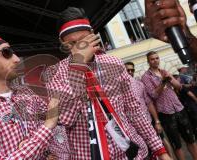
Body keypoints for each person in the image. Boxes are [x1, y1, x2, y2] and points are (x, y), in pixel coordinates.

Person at [45, 7, 171, 160]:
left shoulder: (114, 64)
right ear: (63, 43)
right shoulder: (55, 74)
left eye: (84, 41)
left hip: (132, 153)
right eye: (73, 43)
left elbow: (134, 110)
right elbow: (64, 119)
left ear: (92, 34)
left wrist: (159, 150)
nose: (80, 48)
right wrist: (78, 66)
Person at [0, 37, 69, 159]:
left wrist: (49, 153)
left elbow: (61, 120)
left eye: (13, 52)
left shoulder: (26, 94)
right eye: (6, 53)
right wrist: (48, 125)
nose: (16, 59)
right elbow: (49, 124)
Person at [142, 51, 197, 160]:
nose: (155, 60)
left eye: (157, 58)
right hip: (166, 113)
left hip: (178, 108)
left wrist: (170, 78)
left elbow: (179, 86)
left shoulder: (164, 71)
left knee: (191, 139)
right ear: (148, 61)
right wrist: (162, 82)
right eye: (152, 59)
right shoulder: (146, 77)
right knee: (177, 145)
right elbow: (153, 95)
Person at [125, 62, 175, 159]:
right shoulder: (120, 88)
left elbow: (149, 103)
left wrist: (157, 121)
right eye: (128, 70)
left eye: (132, 70)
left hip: (148, 120)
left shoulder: (140, 84)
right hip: (133, 125)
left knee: (162, 143)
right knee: (146, 152)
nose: (130, 72)